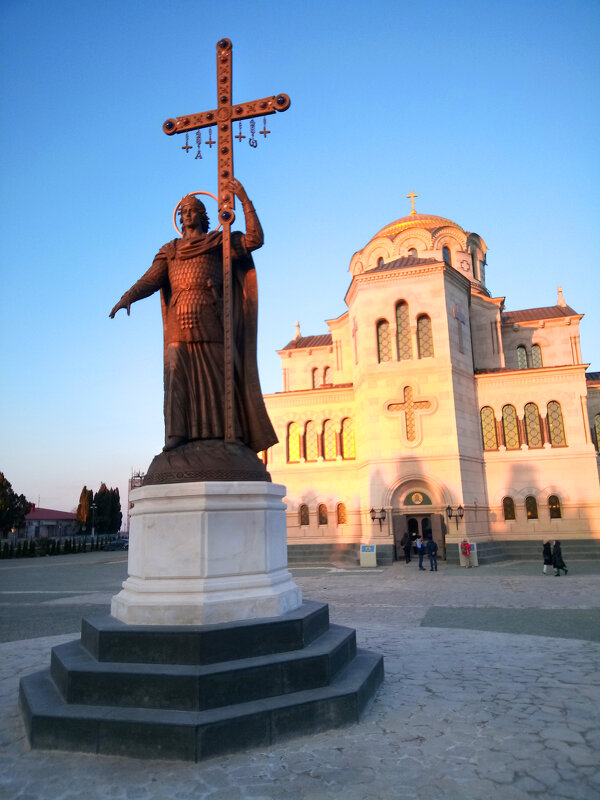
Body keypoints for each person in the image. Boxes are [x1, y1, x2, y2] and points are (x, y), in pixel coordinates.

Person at [109, 180, 277, 454]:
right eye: (184, 211)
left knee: (216, 372)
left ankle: (225, 432)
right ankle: (178, 434)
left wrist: (245, 200)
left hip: (210, 313)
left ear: (203, 215)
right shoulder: (171, 250)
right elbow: (150, 279)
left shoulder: (219, 242)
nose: (187, 215)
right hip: (179, 317)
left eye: (193, 210)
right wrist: (128, 297)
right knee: (177, 373)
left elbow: (255, 239)